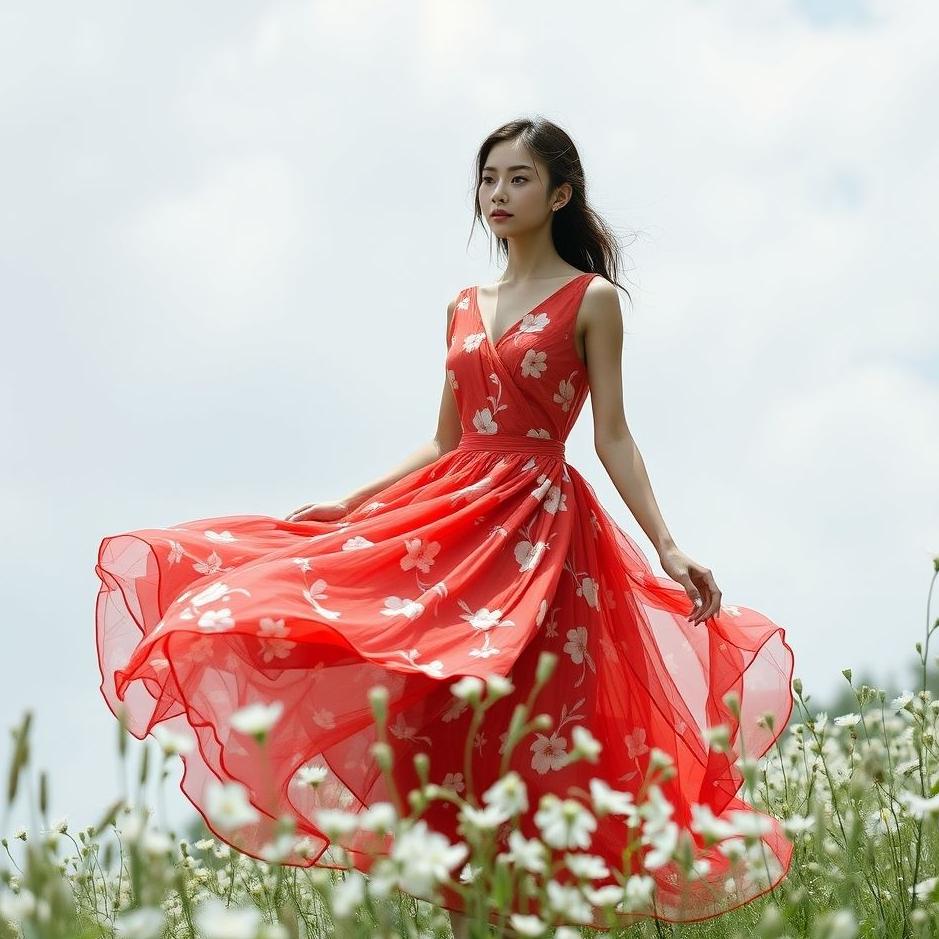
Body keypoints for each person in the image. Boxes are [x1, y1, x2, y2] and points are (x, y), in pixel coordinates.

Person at [94, 116, 795, 930]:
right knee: (440, 733)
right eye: (488, 177)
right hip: (452, 521)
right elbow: (443, 438)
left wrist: (669, 545)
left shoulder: (592, 299)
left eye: (518, 178)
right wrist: (352, 504)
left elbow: (611, 435)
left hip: (541, 535)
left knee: (529, 736)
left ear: (559, 194)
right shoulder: (463, 304)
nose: (497, 193)